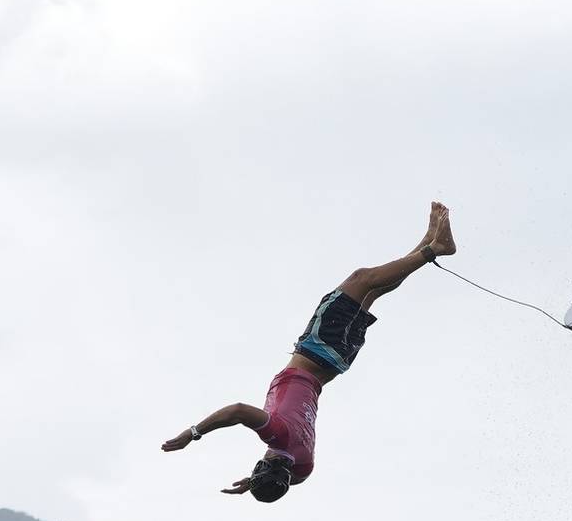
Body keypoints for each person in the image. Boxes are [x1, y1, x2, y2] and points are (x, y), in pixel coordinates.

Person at [161, 202, 457, 502]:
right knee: (361, 280)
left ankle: (428, 241)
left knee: (372, 292)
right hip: (317, 350)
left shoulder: (303, 467)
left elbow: (286, 473)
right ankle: (435, 249)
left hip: (338, 360)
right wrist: (193, 433)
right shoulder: (276, 434)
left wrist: (256, 481)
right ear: (264, 462)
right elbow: (238, 411)